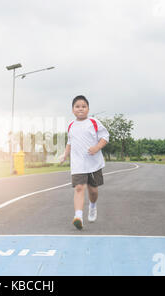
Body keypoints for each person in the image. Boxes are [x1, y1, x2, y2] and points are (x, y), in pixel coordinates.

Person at [59, 95, 109, 230]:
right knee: (79, 188)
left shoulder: (93, 122)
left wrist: (97, 147)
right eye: (77, 106)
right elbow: (70, 142)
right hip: (78, 164)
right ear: (72, 110)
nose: (80, 109)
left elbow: (105, 137)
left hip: (93, 163)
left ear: (88, 109)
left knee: (93, 191)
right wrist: (65, 155)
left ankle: (92, 206)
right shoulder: (71, 125)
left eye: (83, 106)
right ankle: (78, 217)